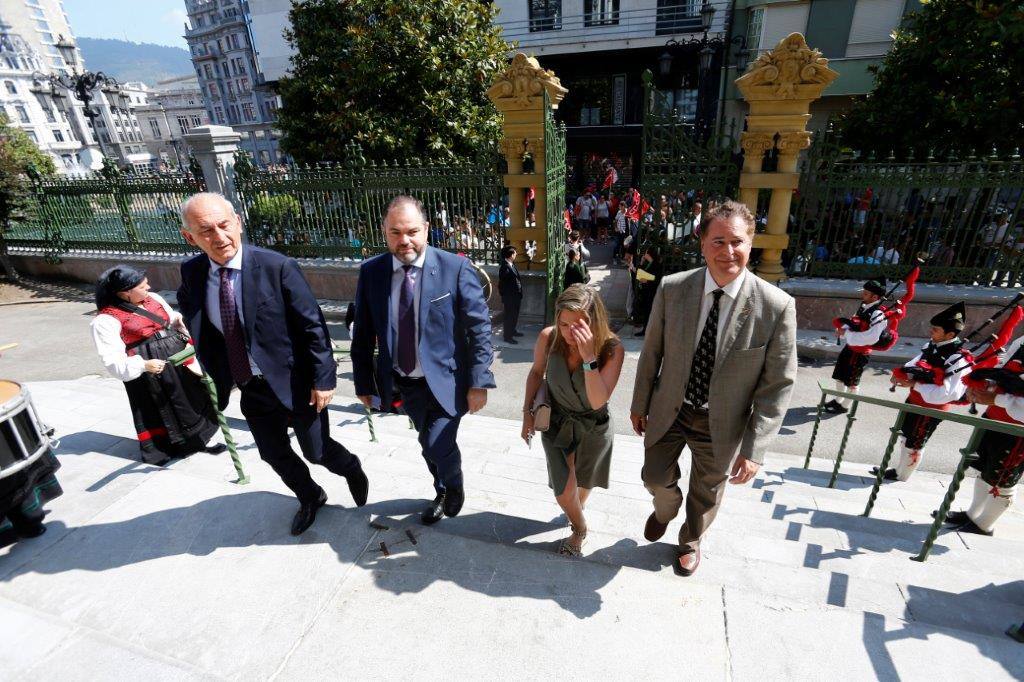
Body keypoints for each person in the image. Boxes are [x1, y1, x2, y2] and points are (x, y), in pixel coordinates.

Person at [177, 192, 369, 536]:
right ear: (189, 237)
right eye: (206, 231)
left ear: (237, 222)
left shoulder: (275, 266)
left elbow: (312, 324)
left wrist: (324, 378)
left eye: (224, 225)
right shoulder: (192, 272)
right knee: (272, 453)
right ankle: (310, 495)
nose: (219, 237)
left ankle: (351, 466)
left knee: (317, 450)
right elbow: (197, 317)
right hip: (250, 384)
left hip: (295, 382)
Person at [630, 200, 797, 577]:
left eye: (737, 241)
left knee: (706, 493)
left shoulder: (776, 306)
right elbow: (651, 350)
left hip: (722, 421)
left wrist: (755, 449)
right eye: (718, 241)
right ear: (702, 243)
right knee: (654, 476)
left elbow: (778, 385)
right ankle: (665, 509)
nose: (728, 251)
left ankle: (690, 539)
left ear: (750, 244)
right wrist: (640, 402)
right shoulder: (673, 289)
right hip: (670, 407)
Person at [351, 195, 495, 525]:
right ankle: (441, 488)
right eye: (395, 233)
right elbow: (362, 336)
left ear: (426, 229)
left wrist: (479, 382)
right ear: (384, 231)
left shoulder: (454, 268)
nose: (405, 241)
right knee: (425, 443)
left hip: (449, 380)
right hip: (406, 382)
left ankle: (453, 486)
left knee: (436, 441)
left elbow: (480, 328)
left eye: (412, 231)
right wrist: (363, 384)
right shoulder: (372, 272)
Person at [521, 285, 625, 556]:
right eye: (563, 323)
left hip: (594, 426)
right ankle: (580, 529)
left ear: (594, 321)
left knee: (582, 485)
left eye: (577, 325)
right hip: (556, 422)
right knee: (563, 492)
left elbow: (597, 400)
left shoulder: (611, 349)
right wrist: (526, 416)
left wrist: (589, 357)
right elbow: (535, 373)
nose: (568, 332)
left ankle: (575, 515)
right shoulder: (549, 338)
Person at [91, 265, 223, 466]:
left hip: (176, 357)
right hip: (149, 367)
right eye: (143, 286)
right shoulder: (105, 320)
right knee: (161, 407)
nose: (149, 287)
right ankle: (167, 448)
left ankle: (200, 439)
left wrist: (179, 323)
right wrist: (143, 365)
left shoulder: (154, 299)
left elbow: (170, 319)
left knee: (190, 397)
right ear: (125, 293)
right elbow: (112, 360)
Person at [879, 302, 971, 481]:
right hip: (915, 400)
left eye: (935, 330)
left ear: (950, 334)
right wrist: (902, 373)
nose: (931, 332)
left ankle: (902, 476)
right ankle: (899, 471)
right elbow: (916, 362)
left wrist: (915, 385)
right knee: (906, 437)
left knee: (916, 443)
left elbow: (949, 393)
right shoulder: (934, 345)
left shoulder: (959, 359)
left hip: (931, 408)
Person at [957, 335, 1024, 535]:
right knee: (986, 468)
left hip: (1017, 429)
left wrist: (997, 399)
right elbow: (1006, 372)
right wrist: (985, 386)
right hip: (994, 418)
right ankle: (972, 514)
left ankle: (985, 524)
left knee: (1003, 478)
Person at [826, 277, 890, 414]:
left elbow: (872, 337)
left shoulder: (878, 313)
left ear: (875, 297)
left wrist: (846, 334)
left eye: (866, 293)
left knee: (852, 382)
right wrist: (842, 330)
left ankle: (845, 406)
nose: (863, 295)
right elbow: (853, 321)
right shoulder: (864, 306)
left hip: (860, 353)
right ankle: (838, 400)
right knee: (839, 376)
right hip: (849, 348)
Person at [633, 246, 663, 337]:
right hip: (647, 291)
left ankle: (649, 331)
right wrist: (641, 262)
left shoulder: (657, 264)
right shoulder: (648, 263)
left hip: (652, 292)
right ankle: (645, 330)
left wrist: (647, 280)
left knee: (650, 313)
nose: (644, 254)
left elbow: (657, 278)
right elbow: (640, 273)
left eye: (646, 253)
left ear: (649, 254)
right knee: (646, 312)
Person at [499, 244, 524, 344]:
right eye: (514, 253)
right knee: (509, 316)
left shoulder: (511, 265)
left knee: (514, 315)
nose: (516, 254)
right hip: (510, 298)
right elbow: (502, 285)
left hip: (516, 296)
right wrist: (506, 296)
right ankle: (507, 336)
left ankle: (513, 331)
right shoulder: (504, 267)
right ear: (510, 255)